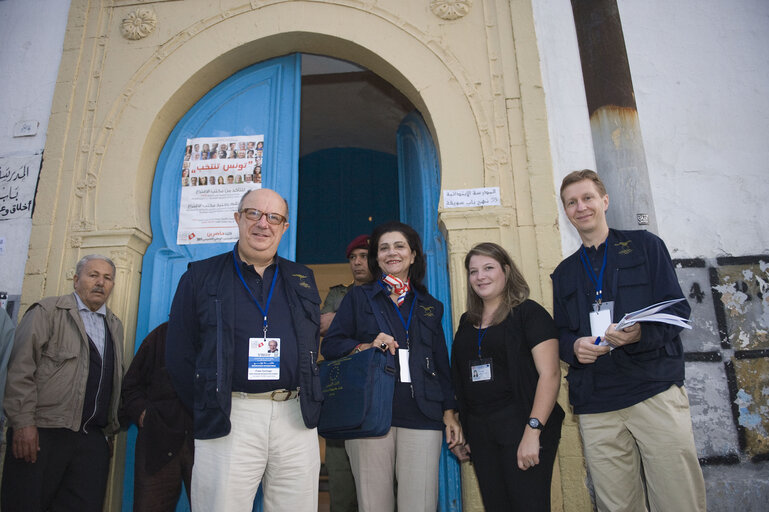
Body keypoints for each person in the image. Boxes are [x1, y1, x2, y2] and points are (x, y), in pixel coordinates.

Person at [551, 169, 705, 512]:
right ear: (565, 211)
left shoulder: (645, 246)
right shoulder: (563, 274)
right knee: (616, 506)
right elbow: (560, 334)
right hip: (596, 404)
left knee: (678, 500)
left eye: (587, 198)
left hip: (654, 390)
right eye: (571, 202)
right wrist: (573, 349)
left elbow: (678, 311)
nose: (581, 207)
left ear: (604, 201)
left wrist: (640, 333)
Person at [166, 188, 322, 512]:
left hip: (295, 416)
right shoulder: (200, 276)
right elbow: (179, 354)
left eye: (273, 217)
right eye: (254, 213)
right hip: (231, 415)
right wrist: (211, 400)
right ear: (237, 218)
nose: (263, 224)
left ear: (284, 227)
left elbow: (309, 344)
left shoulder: (301, 278)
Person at [322, 221, 463, 512]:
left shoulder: (429, 305)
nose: (391, 253)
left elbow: (440, 361)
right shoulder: (358, 298)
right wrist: (365, 346)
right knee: (374, 506)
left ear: (413, 255)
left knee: (420, 505)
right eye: (384, 248)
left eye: (399, 246)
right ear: (377, 257)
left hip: (423, 414)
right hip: (370, 415)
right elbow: (331, 346)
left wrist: (449, 413)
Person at [2, 255, 124, 512]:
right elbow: (20, 371)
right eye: (93, 275)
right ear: (76, 279)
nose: (100, 283)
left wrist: (108, 433)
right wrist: (23, 424)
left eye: (108, 277)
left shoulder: (114, 325)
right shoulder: (47, 312)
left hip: (91, 440)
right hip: (42, 434)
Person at [450, 243, 563, 511]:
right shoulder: (467, 322)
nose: (480, 276)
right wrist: (462, 430)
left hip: (521, 423)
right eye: (473, 271)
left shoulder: (529, 313)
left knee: (528, 505)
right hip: (480, 430)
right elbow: (461, 380)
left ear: (506, 271)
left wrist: (533, 431)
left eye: (488, 268)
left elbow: (551, 374)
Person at [318, 234, 372, 512]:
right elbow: (322, 328)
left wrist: (341, 317)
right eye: (353, 258)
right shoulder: (340, 292)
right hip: (341, 387)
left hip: (375, 386)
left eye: (363, 256)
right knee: (340, 479)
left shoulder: (387, 292)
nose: (357, 263)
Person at [120, 321, 194, 512]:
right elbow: (131, 386)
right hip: (158, 443)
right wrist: (143, 414)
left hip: (205, 446)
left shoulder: (221, 338)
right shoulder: (159, 336)